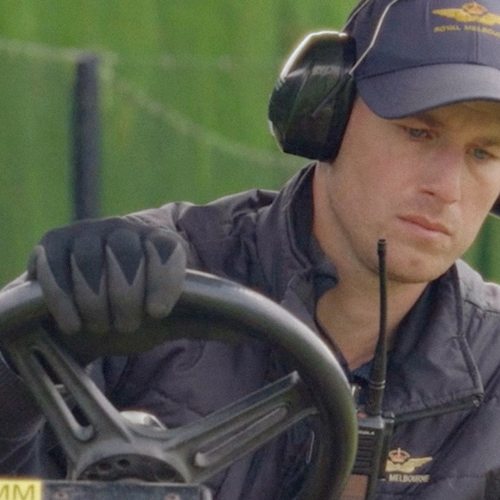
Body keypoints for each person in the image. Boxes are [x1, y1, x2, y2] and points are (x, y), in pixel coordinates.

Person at [2, 0, 500, 498]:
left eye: (483, 152)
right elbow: (12, 488)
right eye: (417, 132)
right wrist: (23, 375)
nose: (447, 188)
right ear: (324, 116)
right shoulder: (147, 284)